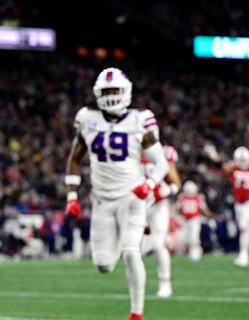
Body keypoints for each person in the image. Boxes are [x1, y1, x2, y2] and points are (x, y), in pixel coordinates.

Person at [64, 67, 169, 320]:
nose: (112, 96)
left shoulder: (139, 120)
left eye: (116, 91)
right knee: (103, 264)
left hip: (132, 198)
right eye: (107, 91)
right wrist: (72, 196)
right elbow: (75, 158)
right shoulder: (87, 119)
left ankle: (136, 313)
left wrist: (150, 183)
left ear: (127, 92)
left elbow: (162, 163)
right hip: (101, 200)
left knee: (131, 251)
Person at [207, 145, 249, 267]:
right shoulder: (233, 168)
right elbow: (222, 167)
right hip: (239, 203)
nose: (242, 163)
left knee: (244, 227)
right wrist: (215, 157)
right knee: (247, 228)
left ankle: (243, 255)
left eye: (244, 160)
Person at [141, 144, 182, 298]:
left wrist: (170, 189)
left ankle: (165, 283)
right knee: (134, 249)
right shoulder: (129, 150)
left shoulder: (162, 152)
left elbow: (176, 182)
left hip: (158, 204)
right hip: (139, 205)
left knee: (159, 244)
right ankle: (138, 284)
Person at [173, 180, 212, 262]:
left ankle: (196, 252)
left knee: (194, 237)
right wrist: (175, 215)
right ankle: (189, 252)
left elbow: (204, 209)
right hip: (185, 220)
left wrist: (210, 218)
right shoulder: (182, 197)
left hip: (195, 219)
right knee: (185, 238)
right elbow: (176, 208)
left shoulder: (198, 197)